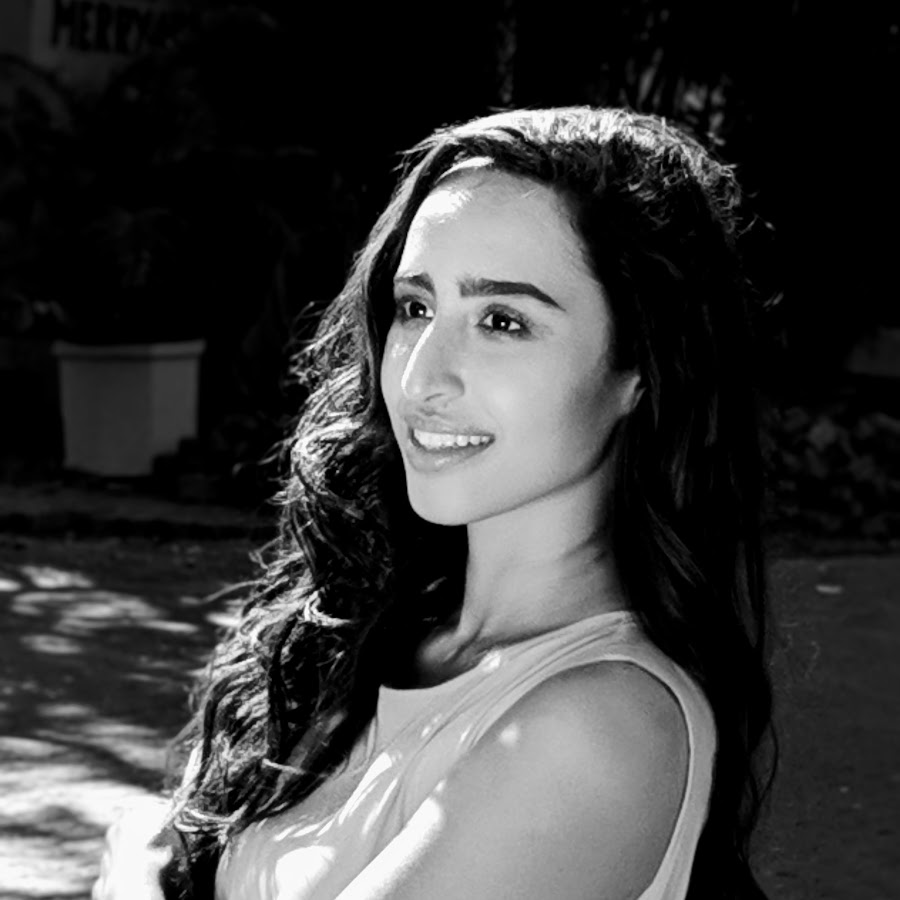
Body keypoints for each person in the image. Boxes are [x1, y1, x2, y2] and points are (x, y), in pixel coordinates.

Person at [93, 106, 777, 900]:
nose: (420, 377)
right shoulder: (380, 635)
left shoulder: (601, 727)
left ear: (640, 370)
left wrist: (131, 867)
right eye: (415, 308)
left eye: (502, 321)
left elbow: (151, 858)